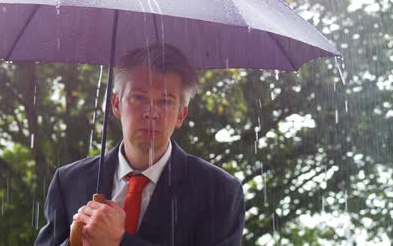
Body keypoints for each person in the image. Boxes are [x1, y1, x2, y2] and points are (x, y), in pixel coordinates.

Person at [34, 43, 245, 246]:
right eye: (138, 97)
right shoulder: (69, 181)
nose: (151, 112)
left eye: (165, 101)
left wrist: (120, 241)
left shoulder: (218, 190)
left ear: (181, 114)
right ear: (116, 104)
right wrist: (75, 242)